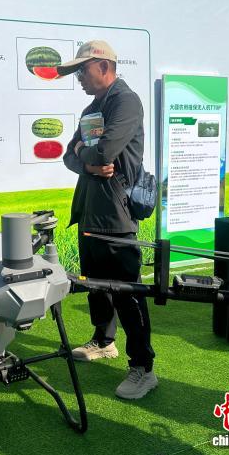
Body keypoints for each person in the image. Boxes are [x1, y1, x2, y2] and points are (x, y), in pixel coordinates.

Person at [60, 40, 157, 399]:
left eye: (82, 70)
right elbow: (69, 157)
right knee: (96, 286)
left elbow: (105, 151)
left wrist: (84, 153)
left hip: (116, 216)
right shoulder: (92, 107)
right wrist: (86, 162)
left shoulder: (126, 102)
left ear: (103, 66)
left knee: (128, 293)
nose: (79, 78)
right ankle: (104, 341)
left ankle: (143, 368)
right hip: (89, 212)